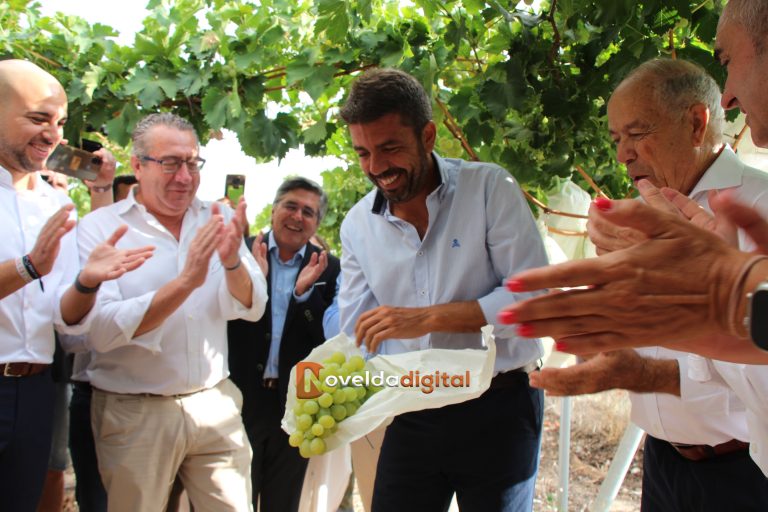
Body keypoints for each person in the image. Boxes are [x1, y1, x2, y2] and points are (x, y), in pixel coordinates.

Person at [499, 0, 768, 475]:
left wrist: (692, 317)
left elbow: (743, 371)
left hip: (741, 469)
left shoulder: (756, 207)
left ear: (695, 123)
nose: (623, 155)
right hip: (662, 463)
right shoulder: (639, 220)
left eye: (637, 133)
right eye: (615, 138)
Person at [337, 68, 548, 512]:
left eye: (390, 147)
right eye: (363, 153)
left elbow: (533, 301)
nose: (377, 168)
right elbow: (356, 331)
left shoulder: (491, 187)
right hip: (413, 410)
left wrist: (429, 317)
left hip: (500, 406)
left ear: (428, 135)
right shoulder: (357, 225)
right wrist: (327, 385)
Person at [76, 112, 268, 511]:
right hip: (135, 412)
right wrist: (184, 284)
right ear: (137, 166)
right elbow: (99, 330)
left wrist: (232, 261)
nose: (184, 176)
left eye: (192, 163)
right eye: (170, 163)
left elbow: (254, 305)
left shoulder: (214, 218)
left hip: (215, 400)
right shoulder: (100, 229)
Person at [0, 59, 153, 511]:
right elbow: (34, 270)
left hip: (36, 391)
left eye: (60, 122)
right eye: (38, 118)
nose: (53, 134)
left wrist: (86, 283)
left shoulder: (58, 202)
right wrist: (28, 267)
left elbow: (65, 319)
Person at [227, 177, 340, 512]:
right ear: (275, 209)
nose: (297, 216)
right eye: (291, 206)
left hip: (295, 408)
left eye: (309, 211)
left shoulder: (329, 269)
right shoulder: (241, 254)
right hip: (240, 401)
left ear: (317, 222)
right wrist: (253, 284)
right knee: (229, 500)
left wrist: (305, 297)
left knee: (283, 503)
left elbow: (330, 340)